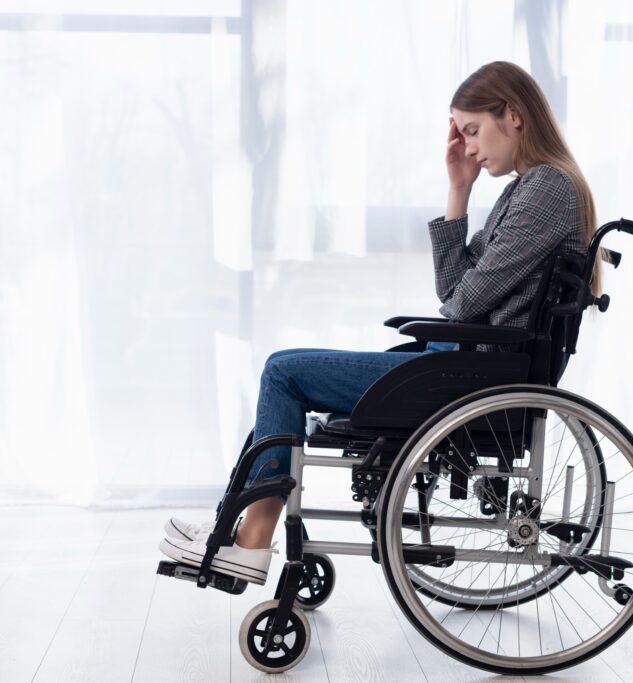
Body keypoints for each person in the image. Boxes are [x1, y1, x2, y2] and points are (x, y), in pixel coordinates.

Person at [159, 61, 598, 585]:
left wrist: (457, 302)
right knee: (286, 380)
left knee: (283, 372)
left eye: (474, 130)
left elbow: (461, 303)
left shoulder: (546, 188)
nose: (470, 147)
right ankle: (244, 532)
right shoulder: (528, 189)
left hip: (468, 379)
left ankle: (251, 541)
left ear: (514, 115)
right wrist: (458, 191)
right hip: (464, 369)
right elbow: (455, 292)